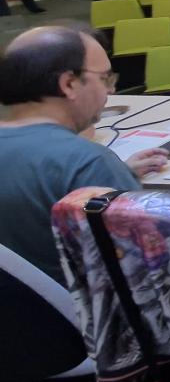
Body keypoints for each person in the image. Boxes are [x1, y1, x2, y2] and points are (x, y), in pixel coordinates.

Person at [0, 26, 150, 284]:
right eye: (105, 78)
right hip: (90, 316)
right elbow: (150, 268)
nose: (110, 91)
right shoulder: (88, 163)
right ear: (68, 83)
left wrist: (121, 173)